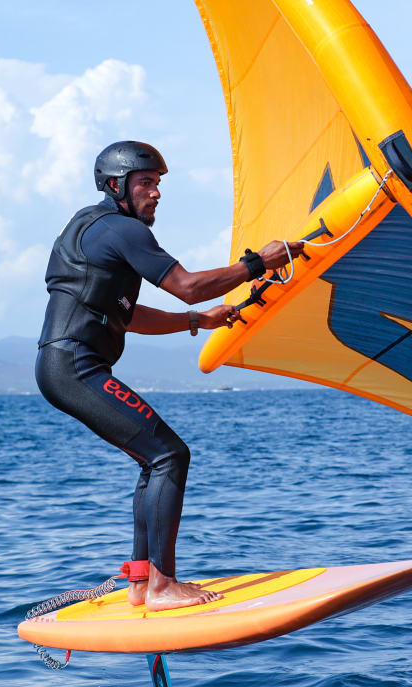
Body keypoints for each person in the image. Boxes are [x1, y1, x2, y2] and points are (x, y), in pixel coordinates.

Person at [35, 141, 303, 611]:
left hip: (66, 366)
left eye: (158, 184)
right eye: (145, 183)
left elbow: (128, 314)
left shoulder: (96, 228)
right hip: (74, 366)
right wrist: (259, 262)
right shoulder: (122, 230)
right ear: (116, 187)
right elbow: (188, 286)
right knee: (169, 456)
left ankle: (142, 582)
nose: (155, 193)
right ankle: (162, 587)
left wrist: (198, 321)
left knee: (155, 458)